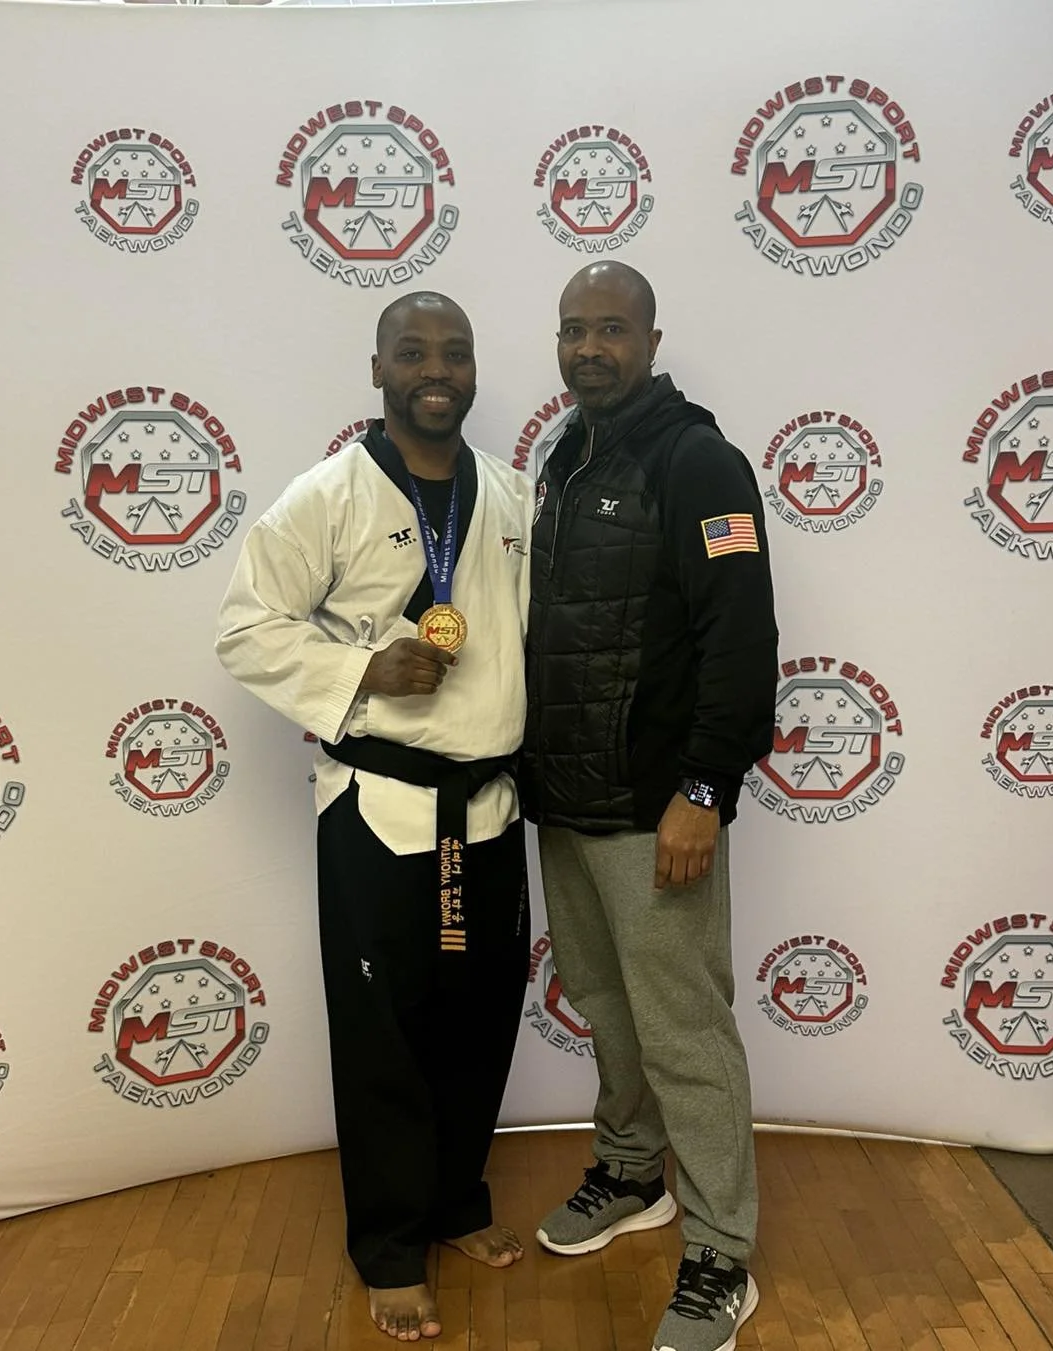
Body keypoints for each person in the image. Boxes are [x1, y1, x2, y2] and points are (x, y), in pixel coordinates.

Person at [216, 292, 533, 1343]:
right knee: (385, 1033)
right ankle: (392, 1246)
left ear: (475, 370)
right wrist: (359, 666)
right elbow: (246, 626)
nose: (434, 370)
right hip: (381, 807)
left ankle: (454, 1204)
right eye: (413, 353)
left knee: (483, 1014)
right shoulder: (329, 495)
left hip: (486, 807)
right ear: (378, 369)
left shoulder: (513, 493)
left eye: (453, 353)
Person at [522, 261, 778, 1351]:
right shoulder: (561, 460)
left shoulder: (700, 460)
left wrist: (705, 790)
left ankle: (722, 1246)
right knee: (607, 1006)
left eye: (612, 329)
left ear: (653, 339)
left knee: (684, 1029)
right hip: (567, 803)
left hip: (657, 809)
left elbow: (742, 639)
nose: (591, 348)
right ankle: (632, 1172)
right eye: (575, 330)